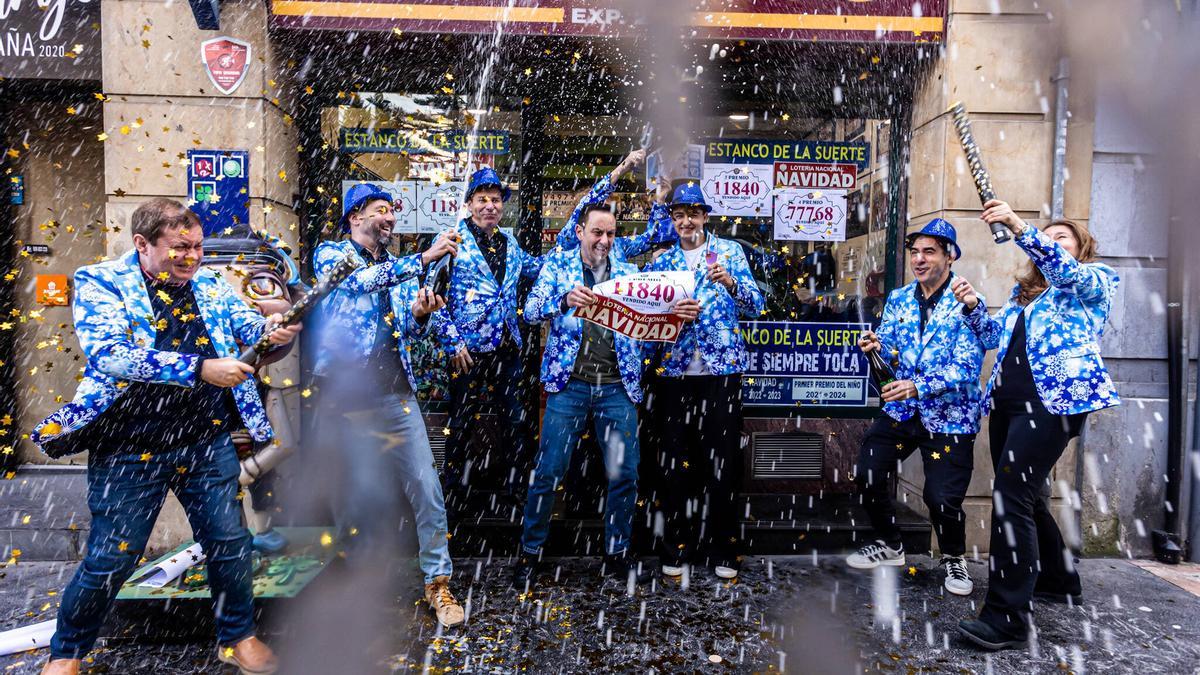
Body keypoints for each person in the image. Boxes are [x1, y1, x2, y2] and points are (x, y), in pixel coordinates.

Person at [31, 198, 301, 675]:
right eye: (180, 248)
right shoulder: (100, 282)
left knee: (229, 543)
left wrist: (273, 330)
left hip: (205, 440)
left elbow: (248, 330)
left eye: (196, 246)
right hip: (129, 446)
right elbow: (110, 354)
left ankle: (237, 636)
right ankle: (68, 651)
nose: (192, 257)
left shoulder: (211, 284)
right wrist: (200, 368)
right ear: (142, 244)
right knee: (111, 557)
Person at [954, 202, 1120, 651]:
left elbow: (1067, 271)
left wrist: (1018, 224)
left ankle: (1009, 618)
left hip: (1054, 401)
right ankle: (1058, 580)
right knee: (1028, 496)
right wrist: (972, 307)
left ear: (1079, 247)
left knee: (1011, 495)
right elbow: (993, 339)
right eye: (1048, 236)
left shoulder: (1093, 281)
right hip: (1008, 402)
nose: (1052, 240)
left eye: (1061, 236)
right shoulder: (1022, 296)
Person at [512, 203, 700, 589]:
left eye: (611, 234)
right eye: (597, 232)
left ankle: (617, 555)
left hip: (618, 387)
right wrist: (562, 300)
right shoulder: (558, 266)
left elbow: (653, 325)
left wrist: (677, 316)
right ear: (579, 231)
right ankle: (530, 554)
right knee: (548, 473)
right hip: (569, 386)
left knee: (624, 475)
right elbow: (529, 312)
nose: (604, 241)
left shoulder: (630, 273)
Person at [310, 182, 465, 627]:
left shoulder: (395, 269)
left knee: (427, 490)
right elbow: (358, 283)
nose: (391, 218)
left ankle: (438, 583)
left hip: (397, 397)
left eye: (393, 211)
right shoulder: (330, 255)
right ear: (355, 217)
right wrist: (426, 257)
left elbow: (410, 336)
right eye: (382, 210)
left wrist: (419, 314)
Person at [847, 218, 985, 598]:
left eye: (929, 251)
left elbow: (968, 365)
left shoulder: (967, 301)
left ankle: (954, 556)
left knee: (941, 498)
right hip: (902, 413)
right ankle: (891, 545)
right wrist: (875, 346)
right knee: (868, 473)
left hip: (949, 417)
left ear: (950, 256)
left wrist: (917, 386)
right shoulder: (900, 298)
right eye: (915, 252)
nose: (919, 259)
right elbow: (891, 348)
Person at [642, 182, 765, 581]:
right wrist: (674, 315)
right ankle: (677, 548)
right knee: (675, 465)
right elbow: (646, 319)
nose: (686, 221)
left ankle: (724, 550)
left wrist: (731, 282)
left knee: (722, 464)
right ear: (672, 219)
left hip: (721, 373)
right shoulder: (663, 261)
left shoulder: (730, 252)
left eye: (693, 213)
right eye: (679, 215)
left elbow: (757, 304)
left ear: (705, 216)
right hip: (675, 375)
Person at [432, 167, 545, 515]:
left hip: (506, 348)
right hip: (465, 351)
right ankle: (454, 492)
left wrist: (571, 258)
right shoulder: (451, 240)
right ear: (469, 204)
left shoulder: (510, 243)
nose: (490, 206)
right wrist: (453, 344)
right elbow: (432, 295)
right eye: (482, 199)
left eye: (495, 200)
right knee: (461, 422)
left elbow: (537, 268)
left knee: (515, 419)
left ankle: (515, 489)